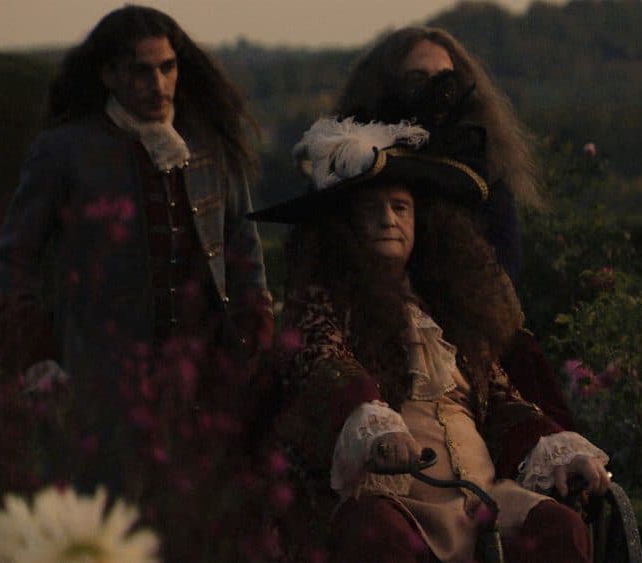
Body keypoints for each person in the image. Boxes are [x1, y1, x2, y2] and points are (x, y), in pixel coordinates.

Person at [256, 117, 610, 563]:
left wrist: (557, 452)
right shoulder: (325, 302)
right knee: (372, 530)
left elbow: (503, 402)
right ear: (343, 226)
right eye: (372, 209)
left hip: (484, 502)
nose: (389, 219)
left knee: (560, 528)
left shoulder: (449, 313)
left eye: (400, 207)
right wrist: (372, 424)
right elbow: (323, 362)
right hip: (401, 505)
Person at [0, 6, 272, 417]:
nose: (158, 84)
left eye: (167, 68)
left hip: (205, 383)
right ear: (109, 74)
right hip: (99, 382)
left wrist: (255, 336)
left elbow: (243, 252)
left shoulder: (211, 147)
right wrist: (36, 353)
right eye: (141, 71)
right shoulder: (66, 151)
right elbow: (13, 260)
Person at [335, 26, 575, 430]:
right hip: (373, 326)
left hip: (476, 333)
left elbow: (504, 264)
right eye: (417, 79)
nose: (433, 90)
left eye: (444, 79)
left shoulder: (481, 167)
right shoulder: (357, 160)